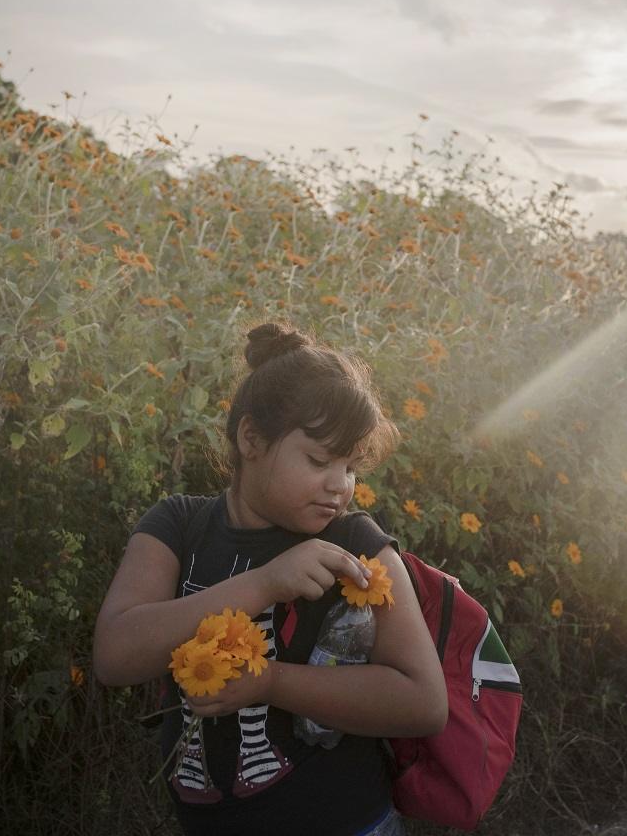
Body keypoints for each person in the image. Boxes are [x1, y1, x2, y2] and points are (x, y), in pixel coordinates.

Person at [93, 321, 448, 836]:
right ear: (251, 439)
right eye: (319, 460)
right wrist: (263, 584)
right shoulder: (176, 526)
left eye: (350, 467)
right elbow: (114, 656)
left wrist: (270, 683)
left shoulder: (357, 546)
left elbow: (423, 703)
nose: (340, 486)